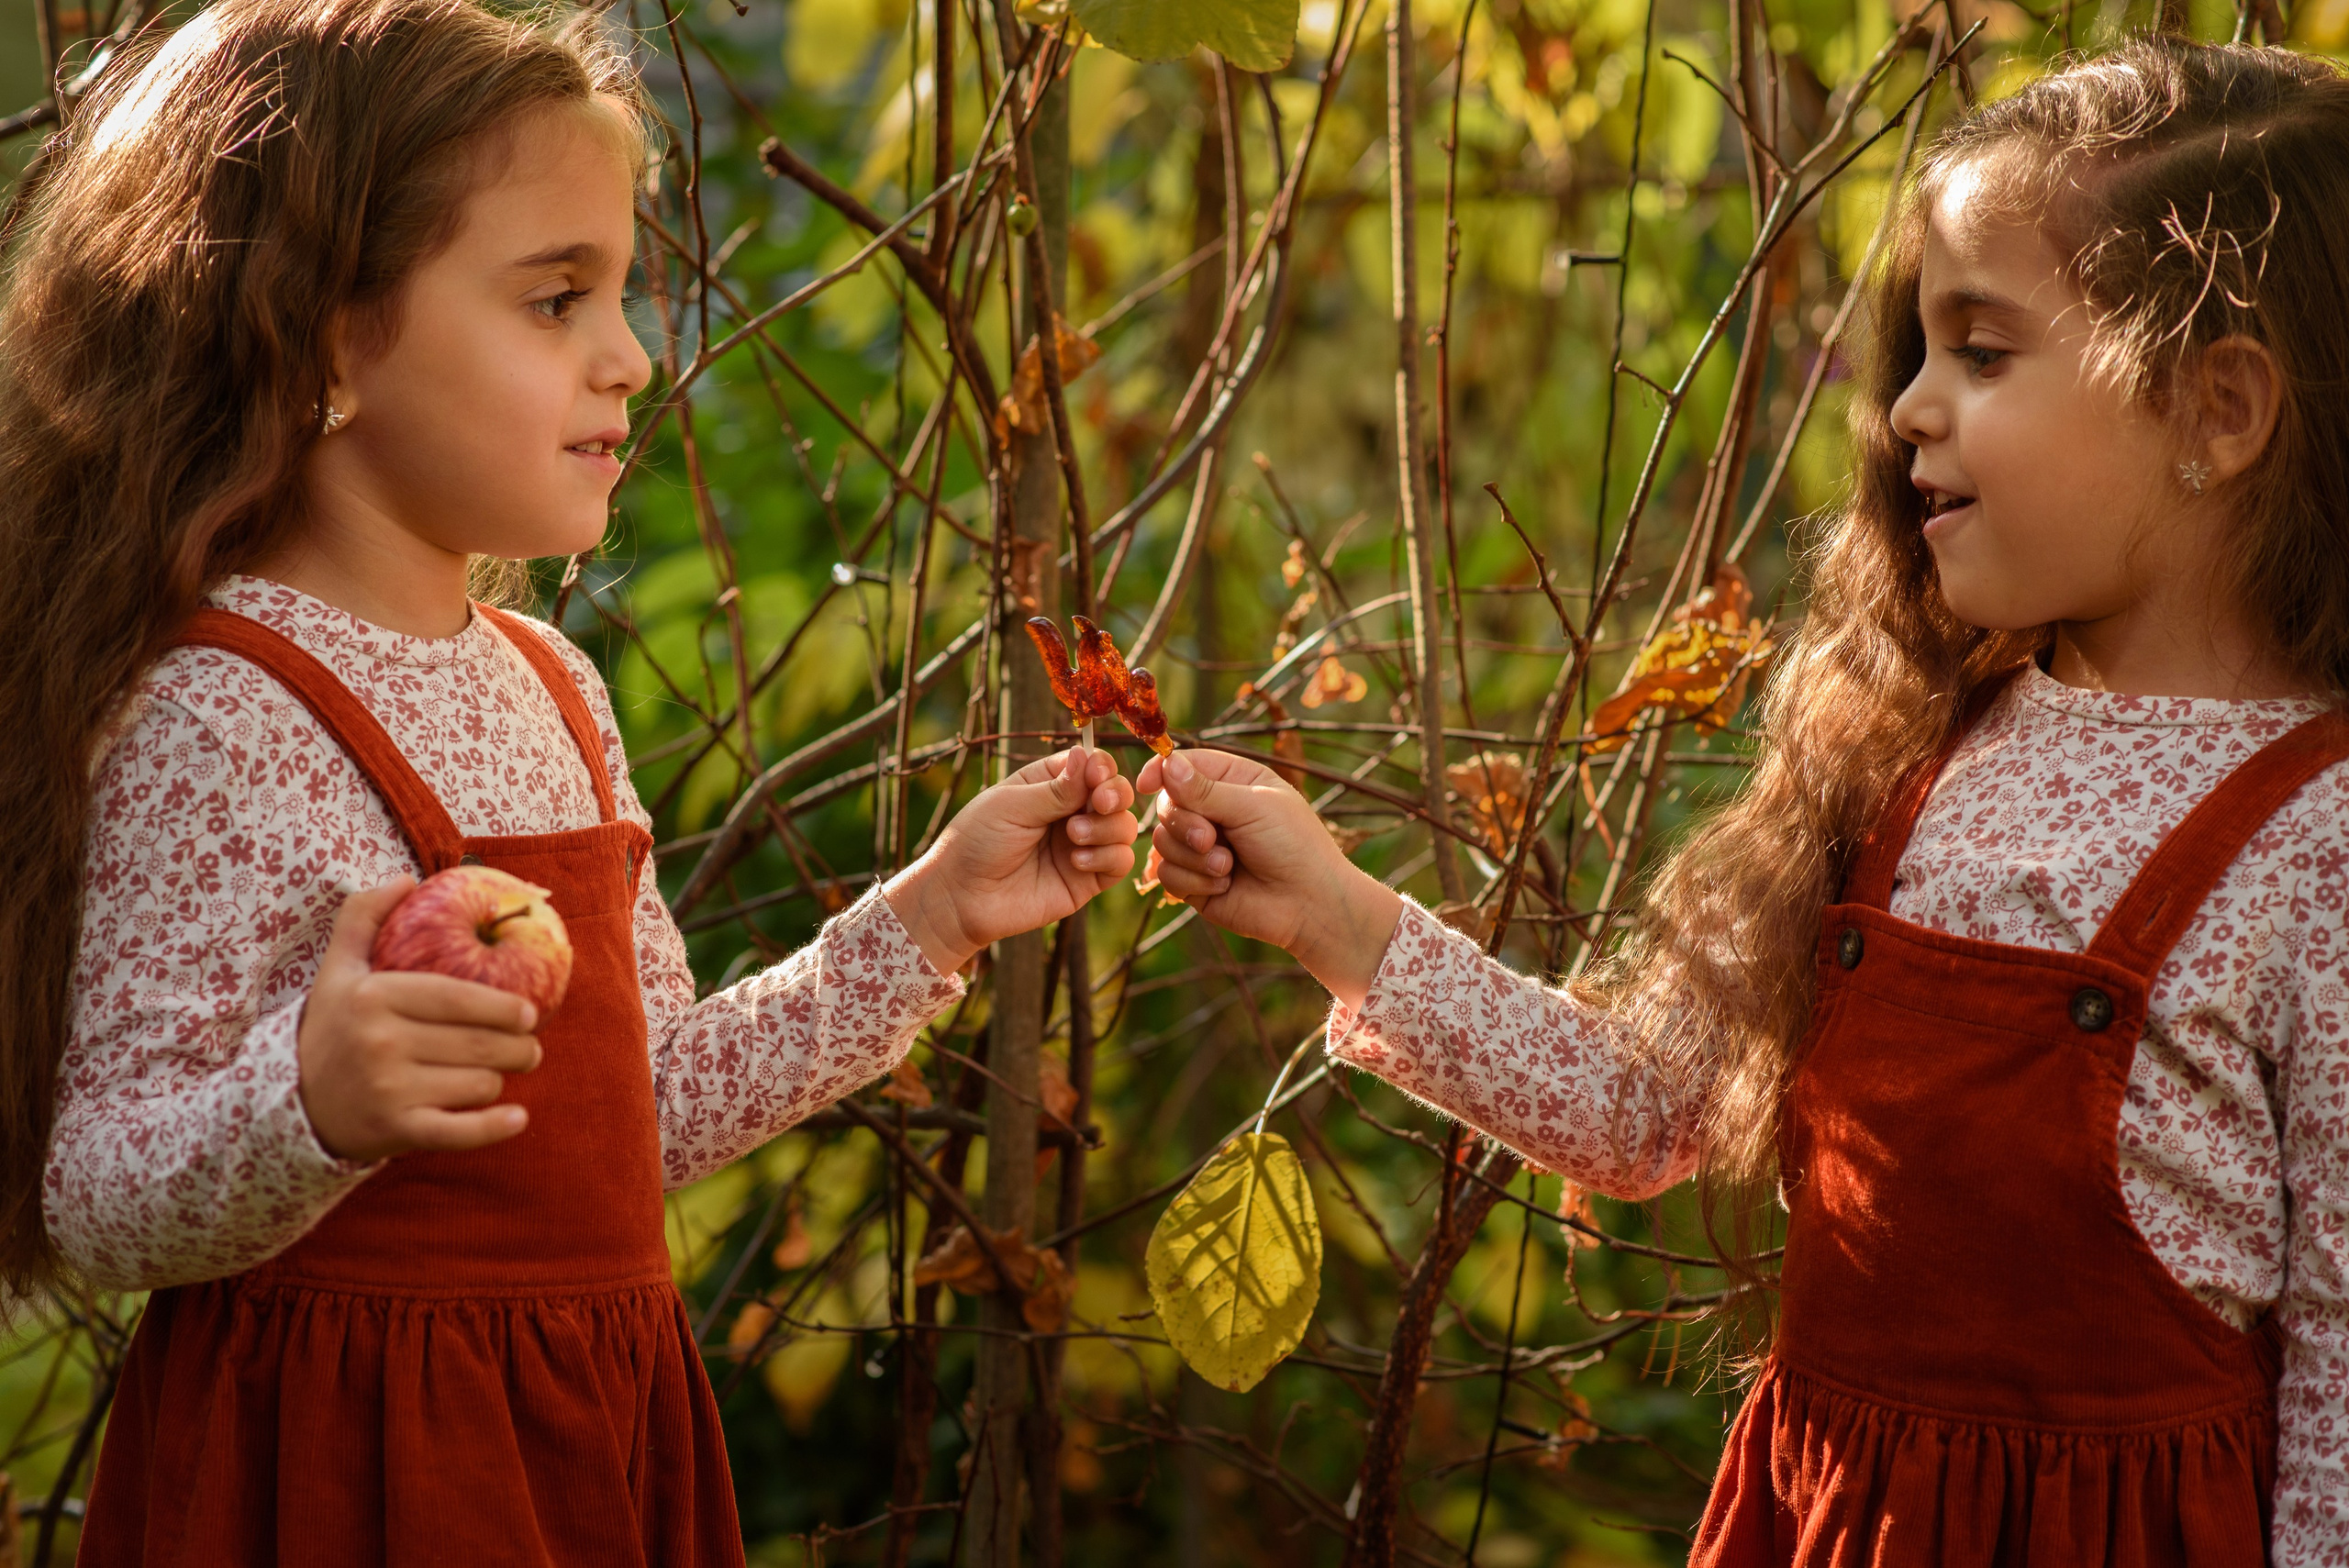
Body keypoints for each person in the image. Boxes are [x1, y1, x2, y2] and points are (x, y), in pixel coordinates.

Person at [1140, 36, 2349, 1566]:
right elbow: (1642, 1106)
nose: (1908, 407)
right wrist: (1333, 912)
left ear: (2216, 411)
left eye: (1981, 353)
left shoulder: (2319, 841)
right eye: (1917, 349)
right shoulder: (1917, 745)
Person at [0, 3, 1139, 1562]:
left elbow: (635, 1113)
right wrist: (308, 1103)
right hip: (345, 1472)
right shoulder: (222, 712)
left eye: (621, 290)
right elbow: (100, 1193)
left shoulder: (556, 689)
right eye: (555, 299)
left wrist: (929, 921)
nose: (629, 353)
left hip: (586, 1436)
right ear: (330, 334)